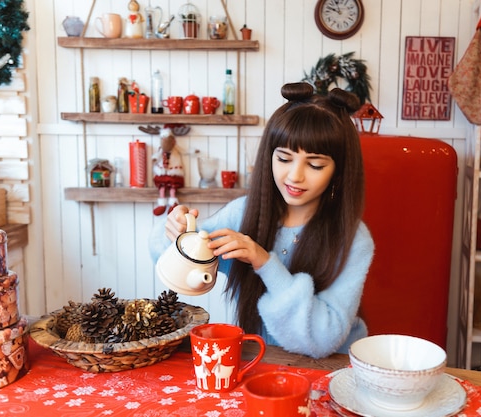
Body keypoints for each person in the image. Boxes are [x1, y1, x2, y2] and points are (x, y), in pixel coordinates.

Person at [155, 82, 374, 358]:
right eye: (284, 158)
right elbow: (171, 257)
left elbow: (322, 339)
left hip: (332, 370)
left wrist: (265, 262)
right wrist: (179, 228)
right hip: (258, 361)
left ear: (338, 172)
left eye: (315, 165)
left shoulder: (353, 238)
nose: (295, 176)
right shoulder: (244, 213)